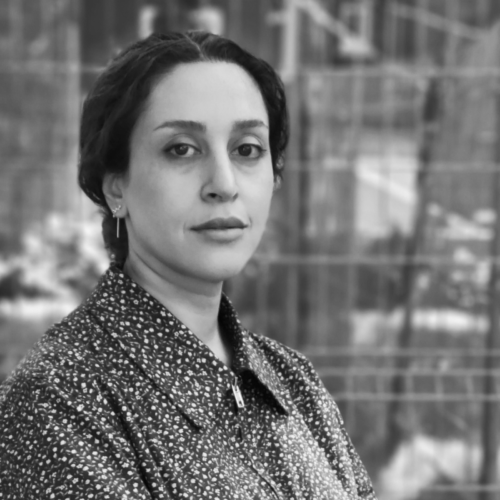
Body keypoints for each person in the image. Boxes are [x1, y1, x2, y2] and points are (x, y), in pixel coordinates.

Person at [0, 31, 377, 499]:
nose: (223, 183)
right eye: (182, 149)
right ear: (116, 186)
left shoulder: (293, 381)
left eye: (247, 150)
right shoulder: (61, 400)